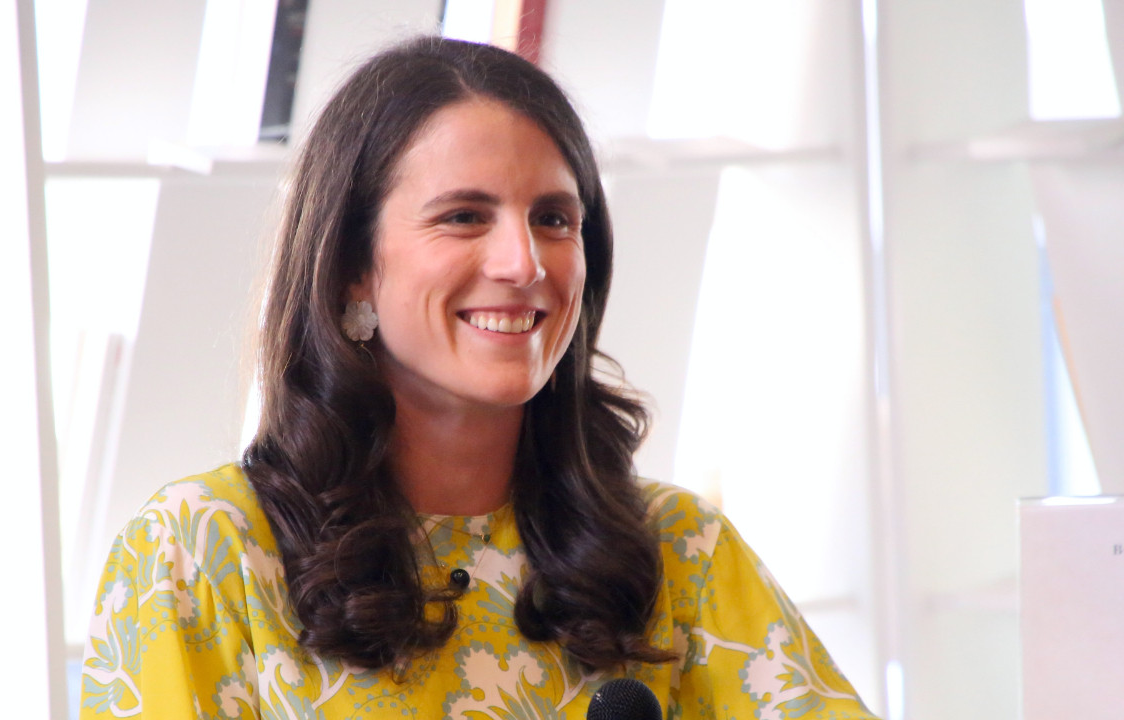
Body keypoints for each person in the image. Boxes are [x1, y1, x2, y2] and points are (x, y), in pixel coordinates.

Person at [78, 36, 879, 720]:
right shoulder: (202, 551)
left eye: (553, 219)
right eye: (464, 216)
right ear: (352, 265)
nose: (523, 263)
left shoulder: (679, 549)